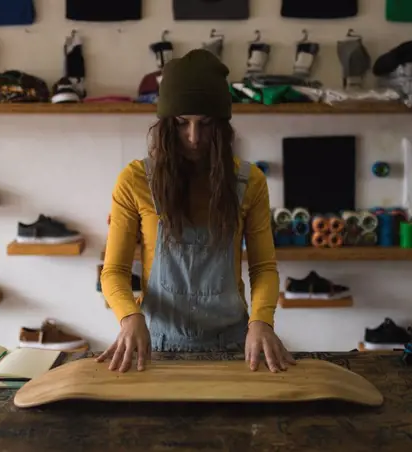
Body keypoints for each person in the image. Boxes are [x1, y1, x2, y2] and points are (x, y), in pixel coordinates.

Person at [99, 48, 295, 373]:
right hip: (155, 346)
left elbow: (263, 268)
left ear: (221, 127)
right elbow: (114, 271)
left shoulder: (250, 182)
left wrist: (262, 321)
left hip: (233, 346)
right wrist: (129, 316)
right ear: (165, 125)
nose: (193, 137)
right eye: (181, 123)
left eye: (205, 124)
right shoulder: (134, 181)